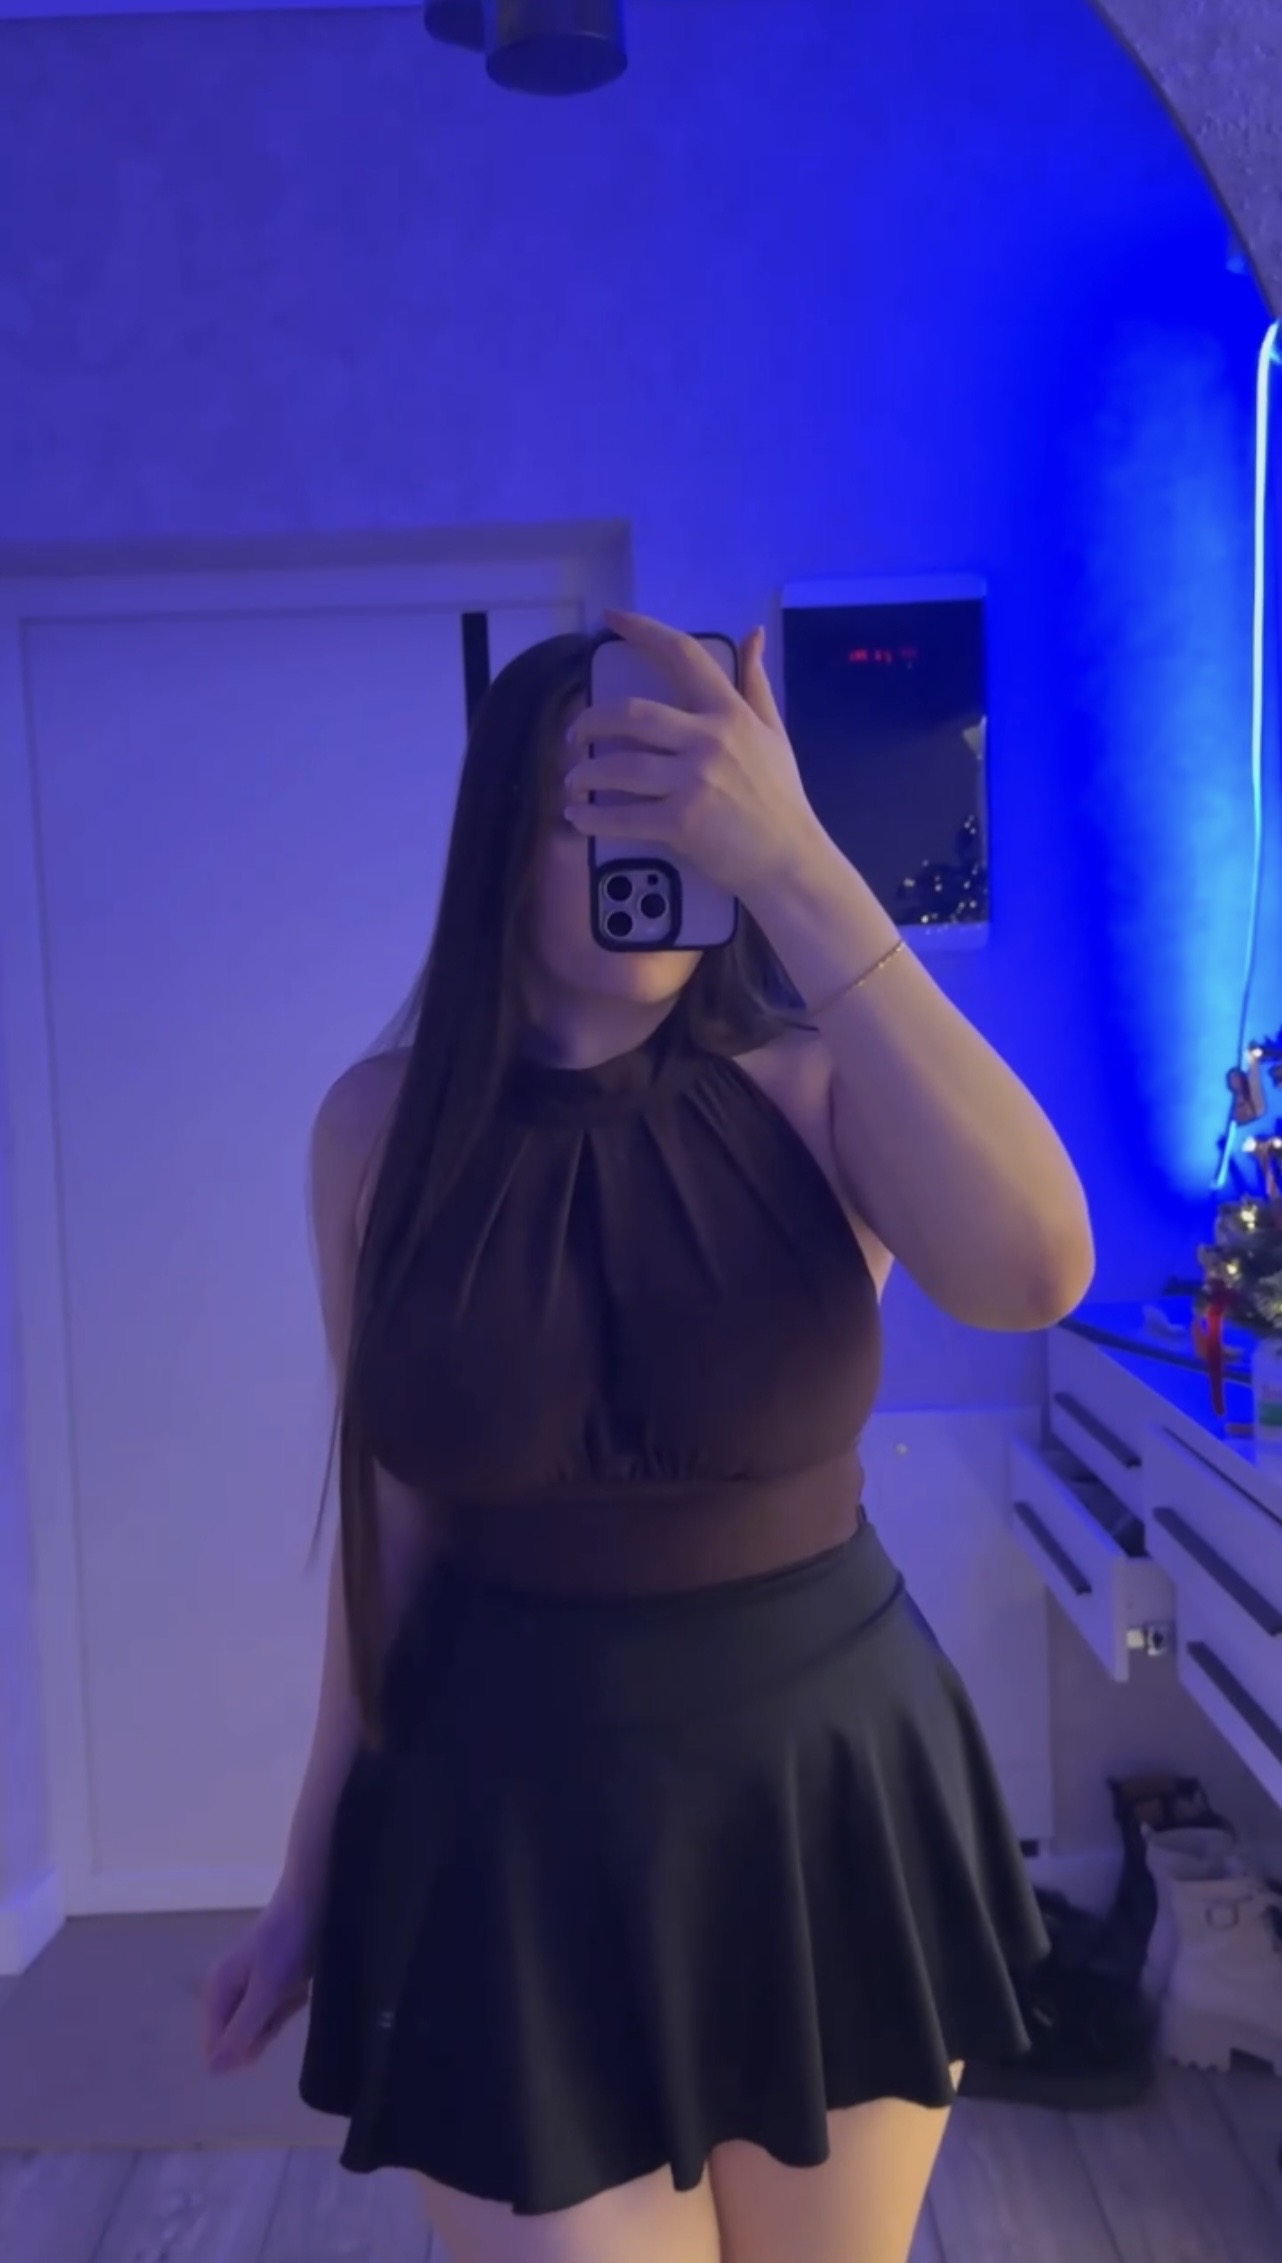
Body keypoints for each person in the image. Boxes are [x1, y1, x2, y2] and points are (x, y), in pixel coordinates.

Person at [202, 611, 1094, 2263]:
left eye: (683, 808)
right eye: (598, 809)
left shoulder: (818, 1094)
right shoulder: (376, 1134)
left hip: (822, 1808)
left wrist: (802, 869)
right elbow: (390, 1531)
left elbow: (1035, 1269)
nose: (648, 850)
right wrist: (306, 1873)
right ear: (501, 845)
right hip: (497, 1830)